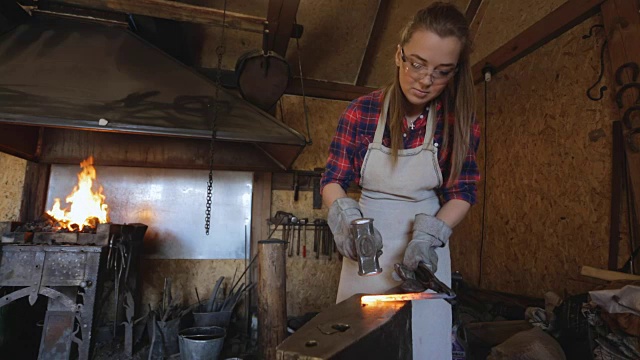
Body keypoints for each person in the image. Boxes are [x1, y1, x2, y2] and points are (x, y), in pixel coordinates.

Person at [321, 2, 480, 358]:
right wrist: (345, 215)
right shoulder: (361, 112)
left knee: (425, 346)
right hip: (366, 243)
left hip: (424, 253)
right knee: (362, 346)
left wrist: (430, 236)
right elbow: (333, 179)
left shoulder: (456, 124)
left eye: (442, 71)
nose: (426, 80)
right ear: (399, 55)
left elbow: (463, 191)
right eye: (417, 64)